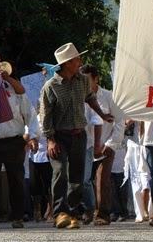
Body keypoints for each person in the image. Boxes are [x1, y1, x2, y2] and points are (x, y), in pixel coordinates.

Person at [39, 43, 112, 230]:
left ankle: (71, 212)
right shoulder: (51, 86)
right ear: (67, 63)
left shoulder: (82, 81)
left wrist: (102, 114)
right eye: (77, 59)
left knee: (77, 177)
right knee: (60, 172)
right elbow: (45, 116)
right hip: (59, 136)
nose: (80, 61)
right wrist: (50, 140)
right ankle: (59, 213)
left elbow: (90, 98)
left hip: (79, 135)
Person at [0, 61, 38, 229]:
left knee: (17, 180)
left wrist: (30, 136)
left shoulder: (15, 90)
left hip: (14, 140)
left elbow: (31, 115)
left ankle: (18, 216)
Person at [80, 65, 124, 226]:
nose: (84, 83)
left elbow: (120, 121)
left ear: (96, 78)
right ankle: (88, 209)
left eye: (87, 80)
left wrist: (111, 144)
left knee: (102, 179)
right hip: (85, 146)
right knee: (83, 181)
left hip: (105, 145)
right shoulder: (77, 97)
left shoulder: (109, 97)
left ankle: (103, 213)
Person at [0, 46, 27, 231]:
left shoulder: (2, 80)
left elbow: (22, 91)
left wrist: (7, 78)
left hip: (8, 137)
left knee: (16, 178)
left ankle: (18, 216)